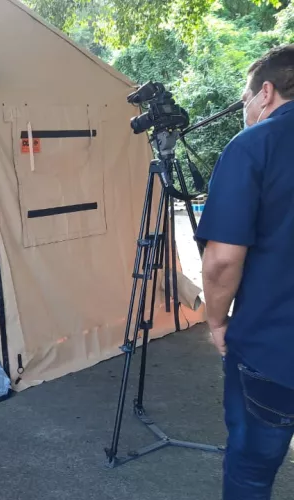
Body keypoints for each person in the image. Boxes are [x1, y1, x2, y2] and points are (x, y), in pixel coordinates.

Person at [195, 44, 294, 500]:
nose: (246, 109)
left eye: (245, 100)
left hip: (272, 349)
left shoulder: (255, 144)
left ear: (265, 92)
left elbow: (222, 259)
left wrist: (216, 322)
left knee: (251, 472)